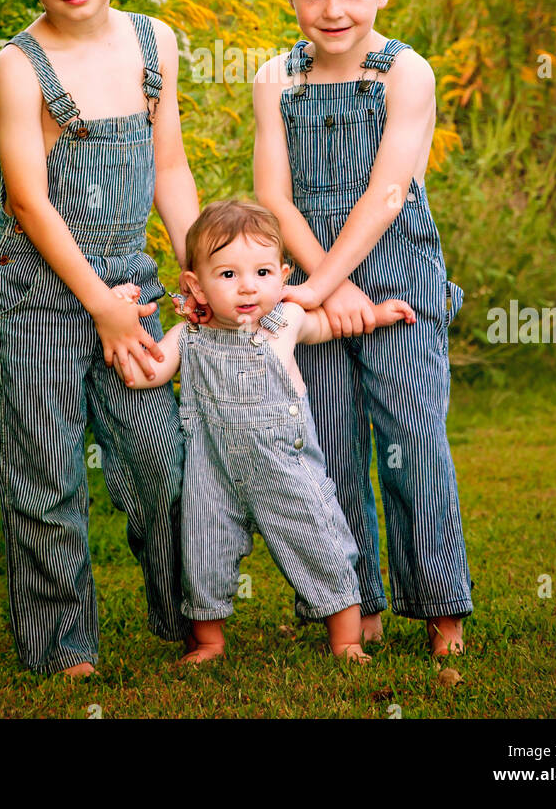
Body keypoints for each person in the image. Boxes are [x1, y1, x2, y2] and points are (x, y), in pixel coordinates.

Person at [0, 0, 199, 676]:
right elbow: (31, 206)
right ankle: (63, 647)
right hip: (40, 294)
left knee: (160, 461)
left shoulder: (154, 43)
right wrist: (99, 311)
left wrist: (194, 268)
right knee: (46, 477)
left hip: (128, 283)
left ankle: (188, 620)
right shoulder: (19, 66)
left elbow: (169, 168)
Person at [252, 0, 473, 658]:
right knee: (327, 442)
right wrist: (323, 285)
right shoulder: (274, 77)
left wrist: (325, 284)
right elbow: (274, 199)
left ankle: (441, 607)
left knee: (412, 436)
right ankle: (355, 603)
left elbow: (387, 192)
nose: (332, 9)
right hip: (316, 270)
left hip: (398, 271)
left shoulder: (404, 72)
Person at [115, 199, 416, 664]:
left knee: (319, 539)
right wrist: (125, 323)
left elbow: (329, 325)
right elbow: (144, 375)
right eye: (228, 275)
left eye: (262, 272)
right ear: (195, 285)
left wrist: (375, 315)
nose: (248, 287)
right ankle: (210, 641)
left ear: (283, 274)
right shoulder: (187, 337)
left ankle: (347, 641)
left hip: (285, 464)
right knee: (203, 549)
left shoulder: (285, 321)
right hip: (211, 467)